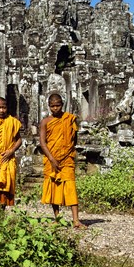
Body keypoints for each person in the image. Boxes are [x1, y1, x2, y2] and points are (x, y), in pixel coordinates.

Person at [39, 93, 86, 228]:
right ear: (49, 106)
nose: (55, 108)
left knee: (70, 186)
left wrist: (67, 151)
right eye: (52, 106)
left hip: (67, 158)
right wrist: (52, 158)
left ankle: (76, 220)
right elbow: (42, 142)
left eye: (58, 105)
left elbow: (74, 138)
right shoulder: (45, 122)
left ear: (62, 105)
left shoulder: (70, 119)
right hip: (51, 158)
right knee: (54, 187)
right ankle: (57, 218)